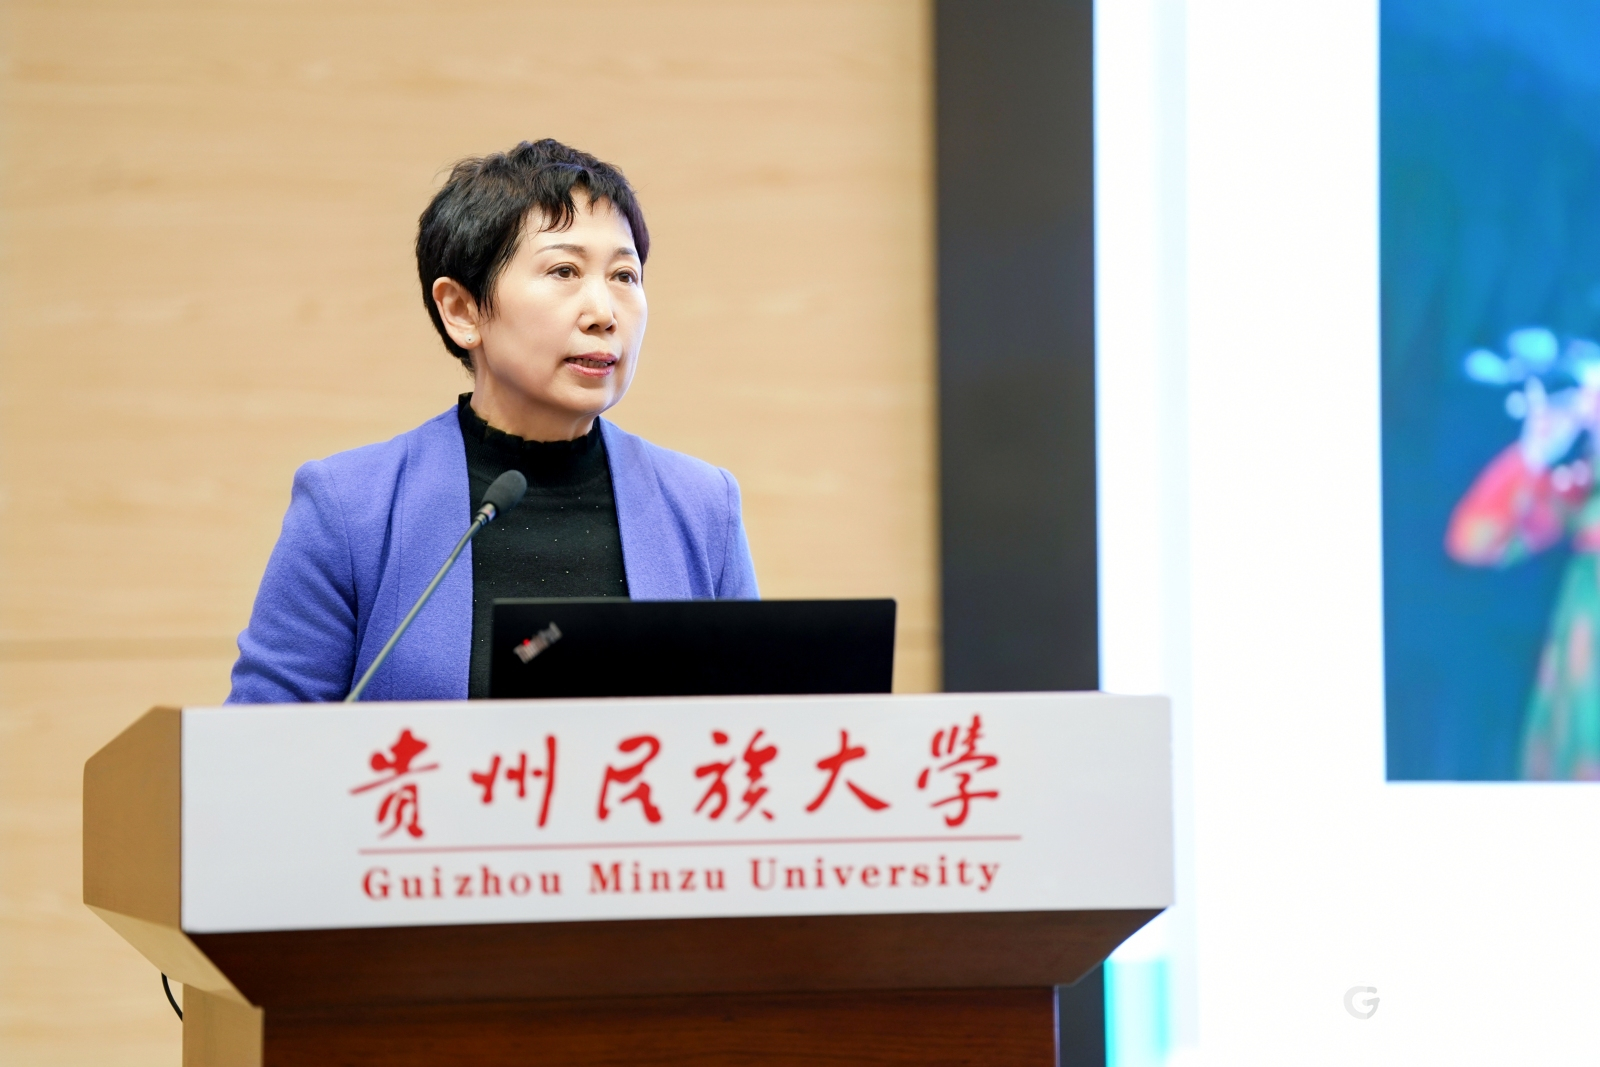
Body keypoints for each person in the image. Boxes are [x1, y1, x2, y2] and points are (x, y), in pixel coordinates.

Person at [228, 139, 759, 704]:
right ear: (462, 310)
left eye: (624, 276)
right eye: (564, 270)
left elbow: (760, 727)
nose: (604, 314)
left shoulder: (703, 506)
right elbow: (258, 739)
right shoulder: (351, 509)